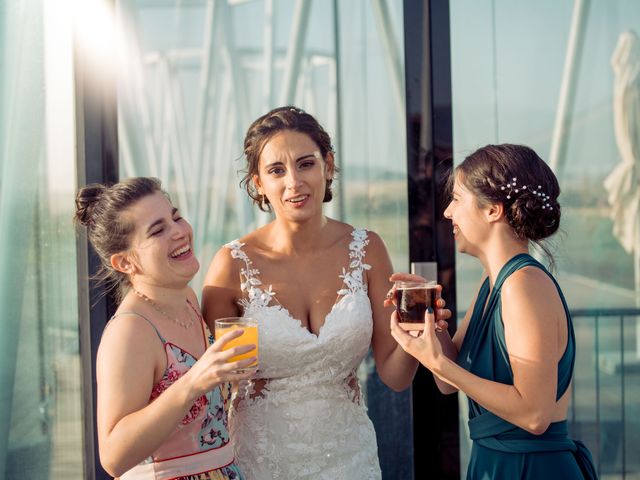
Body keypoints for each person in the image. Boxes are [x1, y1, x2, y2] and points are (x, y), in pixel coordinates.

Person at [202, 106, 449, 479]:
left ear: (328, 165)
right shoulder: (232, 264)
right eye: (276, 170)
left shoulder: (367, 249)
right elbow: (210, 388)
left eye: (306, 164)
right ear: (258, 183)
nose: (294, 183)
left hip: (350, 457)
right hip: (261, 461)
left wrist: (419, 332)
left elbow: (395, 377)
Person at [390, 144, 598, 479]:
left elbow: (534, 414)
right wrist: (431, 324)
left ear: (492, 211)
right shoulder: (493, 283)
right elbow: (448, 383)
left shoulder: (524, 285)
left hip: (531, 469)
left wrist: (437, 362)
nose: (447, 213)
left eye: (457, 198)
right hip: (493, 462)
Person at [74, 177, 255, 480]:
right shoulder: (130, 331)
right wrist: (196, 380)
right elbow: (113, 457)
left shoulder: (187, 299)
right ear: (125, 262)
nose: (180, 232)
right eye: (158, 230)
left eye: (176, 217)